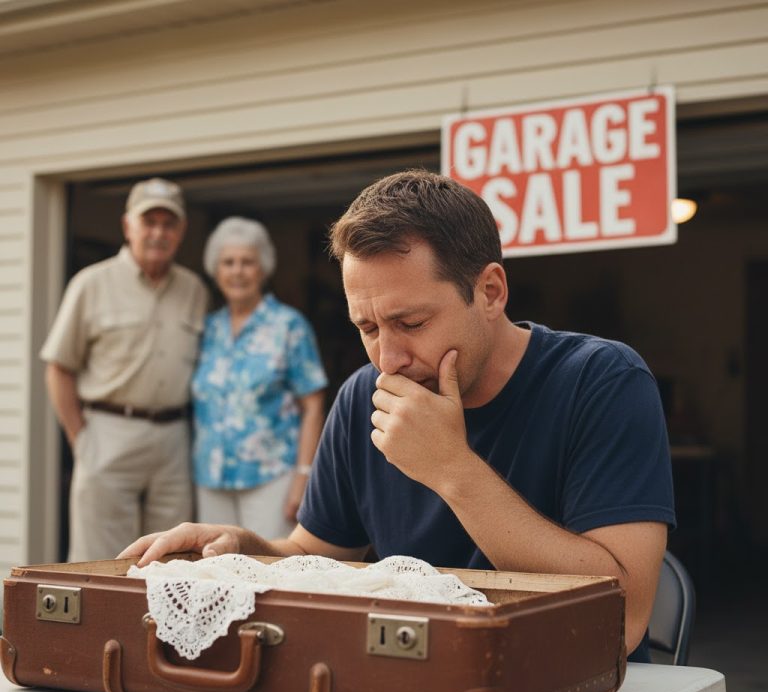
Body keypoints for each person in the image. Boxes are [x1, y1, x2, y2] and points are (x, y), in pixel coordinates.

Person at [121, 170, 675, 660]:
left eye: (411, 324)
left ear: (490, 291)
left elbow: (621, 620)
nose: (388, 359)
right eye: (367, 328)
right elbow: (314, 556)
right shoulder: (363, 395)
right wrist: (245, 552)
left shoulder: (602, 381)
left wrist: (451, 469)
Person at [42, 177, 208, 562]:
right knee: (102, 560)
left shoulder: (194, 289)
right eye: (149, 221)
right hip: (108, 432)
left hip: (174, 441)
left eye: (169, 224)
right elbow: (58, 368)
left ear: (180, 232)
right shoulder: (91, 284)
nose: (158, 232)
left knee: (173, 558)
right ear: (128, 226)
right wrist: (80, 440)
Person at [192, 217, 328, 538]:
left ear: (263, 269)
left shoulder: (289, 326)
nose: (237, 271)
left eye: (247, 262)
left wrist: (303, 476)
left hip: (271, 477)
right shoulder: (208, 329)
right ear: (216, 270)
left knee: (267, 572)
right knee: (214, 573)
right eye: (228, 262)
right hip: (211, 477)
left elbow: (313, 406)